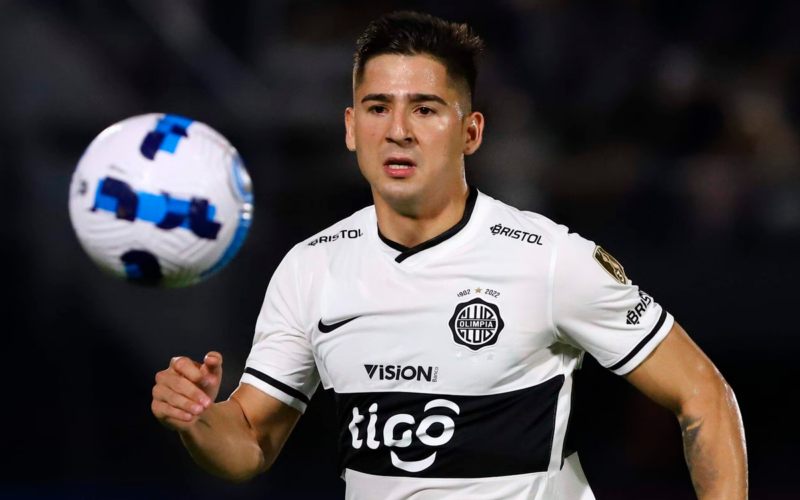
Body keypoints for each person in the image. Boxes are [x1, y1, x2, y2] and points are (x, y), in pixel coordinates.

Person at [151, 11, 747, 499]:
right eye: (379, 107)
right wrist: (199, 417)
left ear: (471, 132)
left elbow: (705, 396)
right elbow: (250, 442)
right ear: (351, 127)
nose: (399, 130)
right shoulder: (311, 267)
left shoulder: (549, 260)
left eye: (426, 109)